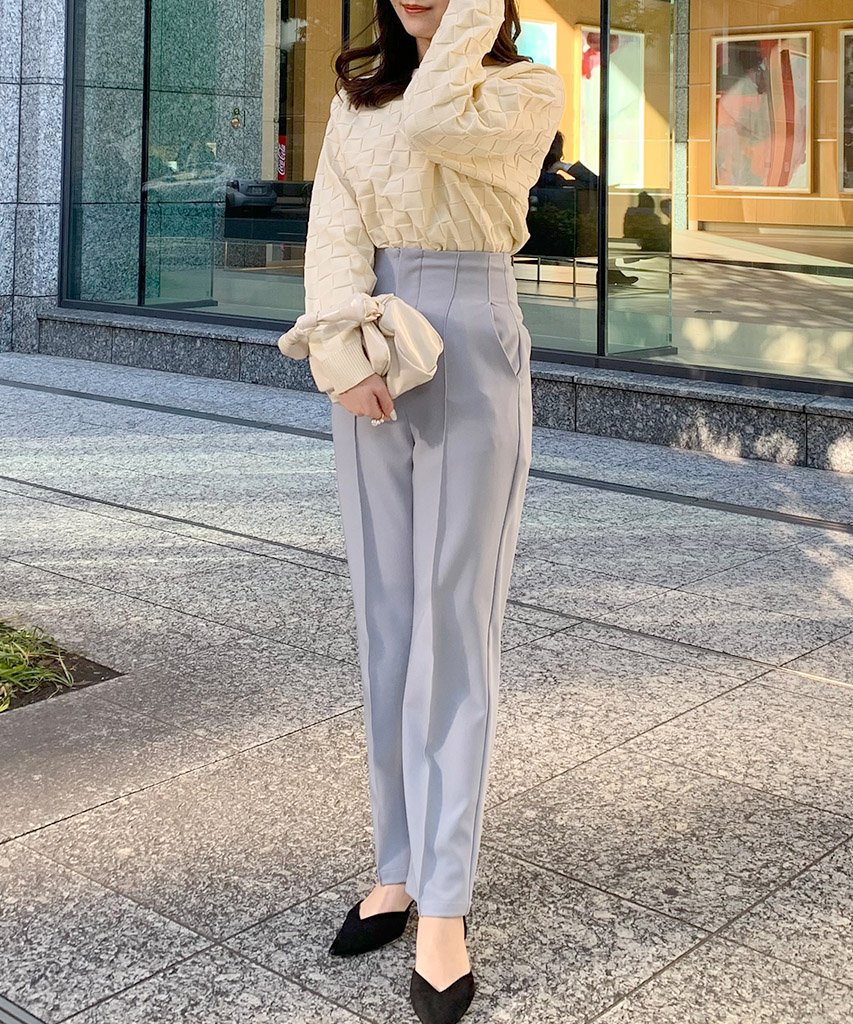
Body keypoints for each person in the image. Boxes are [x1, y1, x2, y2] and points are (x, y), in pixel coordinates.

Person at [297, 1, 564, 1021]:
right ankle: (397, 866)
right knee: (387, 617)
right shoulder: (355, 94)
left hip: (472, 340)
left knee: (453, 625)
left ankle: (444, 902)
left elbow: (436, 123)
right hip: (374, 341)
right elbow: (335, 228)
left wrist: (463, 23)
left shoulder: (522, 88)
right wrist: (339, 351)